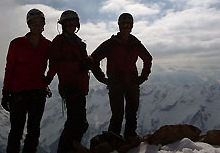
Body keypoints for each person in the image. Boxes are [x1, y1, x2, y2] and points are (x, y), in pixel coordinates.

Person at [91, 13, 152, 141]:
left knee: (131, 113)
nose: (125, 28)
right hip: (118, 82)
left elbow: (148, 59)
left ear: (131, 26)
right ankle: (114, 140)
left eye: (128, 25)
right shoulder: (111, 43)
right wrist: (102, 78)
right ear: (119, 26)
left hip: (130, 82)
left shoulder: (134, 43)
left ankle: (128, 138)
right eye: (123, 25)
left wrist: (142, 77)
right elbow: (94, 59)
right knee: (118, 114)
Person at [1, 8, 52, 153]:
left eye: (40, 23)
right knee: (17, 131)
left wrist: (49, 77)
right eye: (34, 23)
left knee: (33, 131)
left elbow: (55, 63)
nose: (37, 26)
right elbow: (9, 68)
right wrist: (5, 92)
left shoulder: (48, 45)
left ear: (43, 24)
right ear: (29, 25)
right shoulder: (16, 44)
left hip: (36, 92)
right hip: (19, 93)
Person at [46, 10, 92, 152]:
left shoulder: (78, 42)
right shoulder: (59, 42)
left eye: (73, 23)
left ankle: (70, 148)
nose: (71, 25)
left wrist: (87, 61)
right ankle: (66, 149)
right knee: (75, 123)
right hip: (70, 86)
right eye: (68, 23)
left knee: (80, 123)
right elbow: (56, 64)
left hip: (80, 86)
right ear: (63, 25)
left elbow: (82, 62)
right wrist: (48, 79)